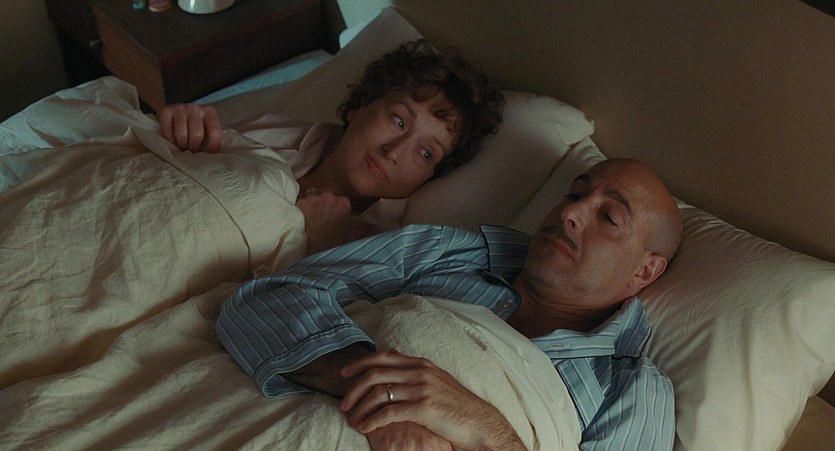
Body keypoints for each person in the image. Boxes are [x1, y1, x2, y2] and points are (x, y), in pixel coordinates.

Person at [216, 158, 684, 450]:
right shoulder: (443, 252)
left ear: (644, 272)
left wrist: (479, 426)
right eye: (575, 194)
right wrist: (380, 396)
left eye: (609, 216)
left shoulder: (630, 388)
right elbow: (268, 298)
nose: (570, 212)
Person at [157, 40, 503, 253]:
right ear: (360, 106)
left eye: (426, 153)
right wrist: (180, 127)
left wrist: (318, 246)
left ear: (430, 176)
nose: (395, 151)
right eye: (399, 121)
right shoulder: (273, 134)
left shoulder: (377, 247)